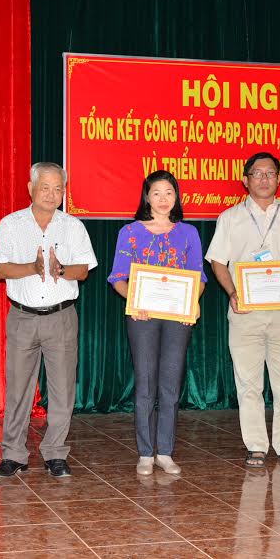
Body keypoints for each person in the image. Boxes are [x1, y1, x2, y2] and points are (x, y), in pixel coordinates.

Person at [205, 152, 280, 468]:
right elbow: (218, 263)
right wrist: (232, 293)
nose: (264, 179)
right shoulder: (230, 217)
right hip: (245, 313)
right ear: (246, 180)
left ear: (279, 179)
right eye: (257, 173)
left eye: (271, 173)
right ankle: (256, 445)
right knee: (248, 384)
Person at [0, 162, 97, 479]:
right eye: (45, 187)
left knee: (62, 389)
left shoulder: (73, 226)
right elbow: (0, 269)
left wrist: (60, 269)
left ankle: (56, 453)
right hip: (22, 316)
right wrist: (33, 268)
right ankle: (13, 454)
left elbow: (83, 270)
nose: (51, 194)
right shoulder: (11, 224)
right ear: (30, 188)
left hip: (61, 316)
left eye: (58, 188)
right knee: (18, 390)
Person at [107, 170, 205, 476]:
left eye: (169, 193)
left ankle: (165, 452)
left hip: (177, 316)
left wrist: (193, 300)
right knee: (146, 383)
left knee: (170, 384)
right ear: (146, 197)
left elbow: (198, 276)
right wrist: (134, 300)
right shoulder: (130, 232)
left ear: (177, 197)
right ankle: (145, 454)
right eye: (156, 193)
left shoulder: (189, 233)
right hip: (142, 317)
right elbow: (118, 278)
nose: (163, 199)